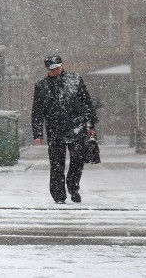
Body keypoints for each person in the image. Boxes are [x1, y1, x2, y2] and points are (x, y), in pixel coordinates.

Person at [32, 55, 98, 204]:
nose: (56, 71)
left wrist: (89, 125)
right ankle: (58, 195)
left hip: (77, 126)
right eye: (53, 69)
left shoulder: (75, 79)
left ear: (62, 65)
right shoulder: (41, 86)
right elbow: (37, 111)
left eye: (58, 67)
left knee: (77, 160)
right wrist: (38, 133)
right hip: (54, 129)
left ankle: (73, 187)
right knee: (56, 164)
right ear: (47, 70)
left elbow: (86, 102)